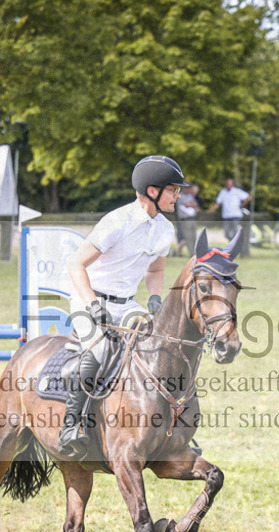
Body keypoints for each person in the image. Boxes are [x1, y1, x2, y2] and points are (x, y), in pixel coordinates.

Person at [58, 155, 188, 457]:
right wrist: (91, 304)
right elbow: (75, 264)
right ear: (152, 190)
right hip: (87, 295)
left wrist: (155, 296)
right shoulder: (117, 222)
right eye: (173, 190)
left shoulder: (165, 229)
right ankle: (72, 425)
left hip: (126, 303)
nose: (178, 196)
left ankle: (167, 425)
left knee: (159, 344)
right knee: (100, 350)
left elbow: (155, 271)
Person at [210, 177, 250, 248]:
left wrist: (241, 205)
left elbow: (248, 197)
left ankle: (238, 248)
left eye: (229, 184)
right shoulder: (222, 192)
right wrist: (210, 210)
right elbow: (218, 203)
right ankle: (235, 245)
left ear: (232, 184)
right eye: (227, 184)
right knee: (227, 234)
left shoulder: (237, 191)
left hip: (236, 216)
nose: (228, 185)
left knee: (235, 233)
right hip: (226, 216)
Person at [172, 184, 201, 257]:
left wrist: (192, 204)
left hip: (192, 218)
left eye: (188, 188)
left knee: (193, 237)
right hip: (184, 220)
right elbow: (187, 204)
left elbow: (195, 204)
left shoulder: (190, 196)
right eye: (185, 188)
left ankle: (195, 253)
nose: (187, 189)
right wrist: (192, 204)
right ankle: (192, 254)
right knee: (188, 238)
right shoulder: (180, 196)